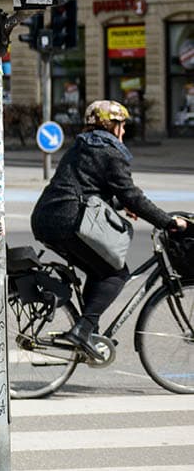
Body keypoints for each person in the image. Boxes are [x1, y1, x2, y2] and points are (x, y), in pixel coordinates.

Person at [31, 100, 189, 358]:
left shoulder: (82, 145)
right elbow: (132, 194)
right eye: (122, 125)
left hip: (46, 217)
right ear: (112, 126)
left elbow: (88, 185)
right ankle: (82, 330)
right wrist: (168, 222)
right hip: (70, 221)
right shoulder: (110, 151)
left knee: (99, 268)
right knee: (116, 274)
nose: (124, 132)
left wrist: (119, 203)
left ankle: (88, 332)